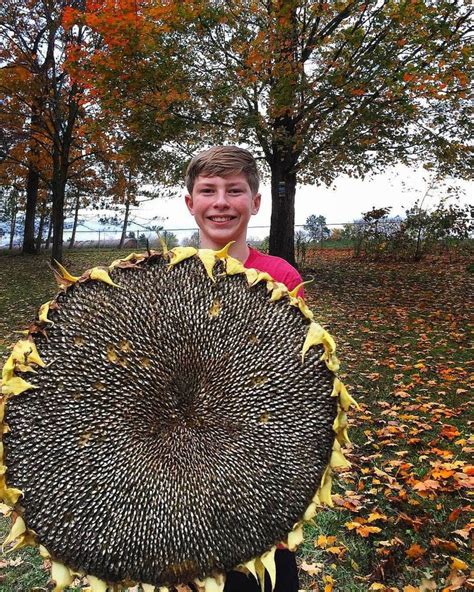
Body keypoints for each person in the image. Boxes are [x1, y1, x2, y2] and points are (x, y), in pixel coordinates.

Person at [184, 145, 301, 592]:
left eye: (235, 191)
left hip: (260, 469)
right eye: (207, 190)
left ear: (255, 202)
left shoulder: (279, 278)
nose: (221, 202)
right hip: (181, 468)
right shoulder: (163, 276)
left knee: (260, 579)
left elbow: (292, 381)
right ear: (190, 202)